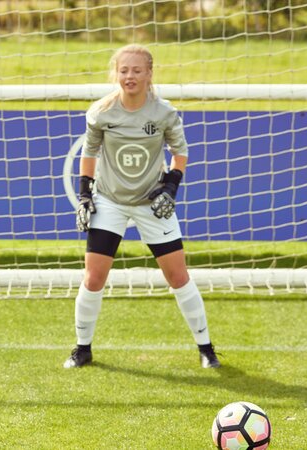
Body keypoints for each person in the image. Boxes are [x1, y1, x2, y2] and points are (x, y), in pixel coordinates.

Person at [64, 44, 220, 370]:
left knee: (177, 275)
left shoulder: (164, 113)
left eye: (136, 70)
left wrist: (171, 186)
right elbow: (89, 154)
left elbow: (180, 152)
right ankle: (82, 349)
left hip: (152, 203)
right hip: (110, 201)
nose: (129, 76)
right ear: (115, 74)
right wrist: (85, 195)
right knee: (94, 277)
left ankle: (206, 349)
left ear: (149, 73)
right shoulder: (101, 112)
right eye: (123, 70)